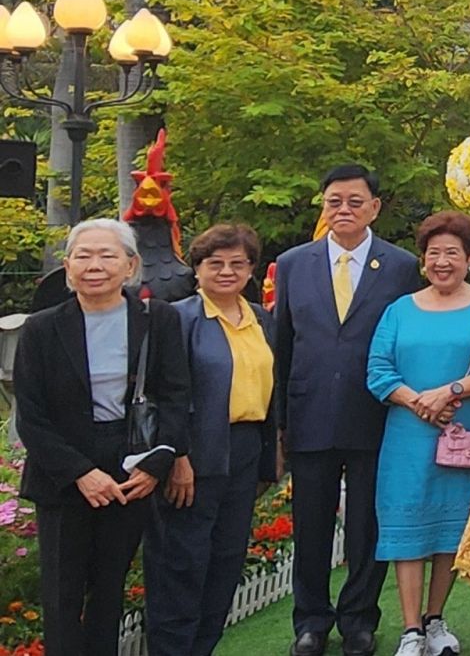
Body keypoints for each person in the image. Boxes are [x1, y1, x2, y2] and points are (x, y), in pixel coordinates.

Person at [14, 218, 190, 656]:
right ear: (68, 267)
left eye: (107, 255)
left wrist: (157, 464)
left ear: (130, 266)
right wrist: (81, 473)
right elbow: (31, 417)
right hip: (63, 471)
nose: (95, 265)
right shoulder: (41, 328)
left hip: (129, 466)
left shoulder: (157, 320)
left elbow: (176, 395)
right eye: (83, 255)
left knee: (109, 588)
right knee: (61, 593)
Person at [275, 165, 421, 656]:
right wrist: (280, 422)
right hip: (309, 411)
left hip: (375, 415)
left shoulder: (400, 266)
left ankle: (359, 618)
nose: (344, 210)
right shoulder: (295, 262)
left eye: (355, 202)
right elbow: (283, 343)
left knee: (367, 526)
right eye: (334, 201)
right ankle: (311, 621)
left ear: (375, 208)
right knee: (310, 525)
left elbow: (409, 340)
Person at [368, 211, 470, 656]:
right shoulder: (398, 310)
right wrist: (420, 402)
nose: (442, 262)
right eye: (434, 253)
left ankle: (435, 620)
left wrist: (448, 391)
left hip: (464, 435)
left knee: (451, 531)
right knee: (408, 530)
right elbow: (378, 371)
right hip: (407, 436)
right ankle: (411, 630)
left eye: (453, 253)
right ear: (422, 259)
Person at [145, 224, 279, 656]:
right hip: (193, 452)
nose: (226, 271)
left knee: (225, 561)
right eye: (214, 263)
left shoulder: (262, 319)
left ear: (251, 270)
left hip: (244, 450)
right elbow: (163, 394)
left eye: (237, 263)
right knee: (182, 563)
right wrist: (177, 456)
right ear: (196, 269)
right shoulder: (178, 318)